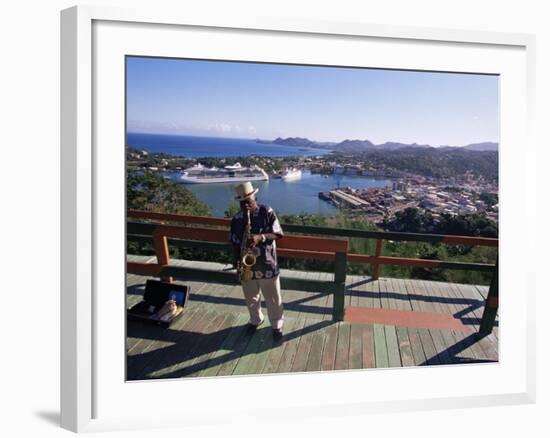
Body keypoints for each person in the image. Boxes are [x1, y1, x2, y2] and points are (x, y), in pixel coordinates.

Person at [230, 181, 284, 340]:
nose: (245, 204)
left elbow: (278, 234)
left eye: (248, 200)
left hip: (267, 263)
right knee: (251, 297)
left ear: (255, 196)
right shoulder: (237, 218)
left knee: (273, 299)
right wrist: (236, 261)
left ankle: (277, 324)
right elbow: (233, 241)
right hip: (247, 266)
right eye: (242, 201)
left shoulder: (267, 211)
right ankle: (256, 319)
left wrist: (261, 237)